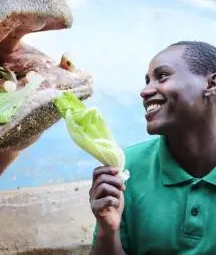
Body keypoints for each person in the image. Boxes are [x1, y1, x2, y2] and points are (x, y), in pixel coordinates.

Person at [89, 41, 216, 255]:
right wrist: (107, 230)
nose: (145, 91)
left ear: (211, 84)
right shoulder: (128, 167)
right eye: (147, 81)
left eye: (162, 76)